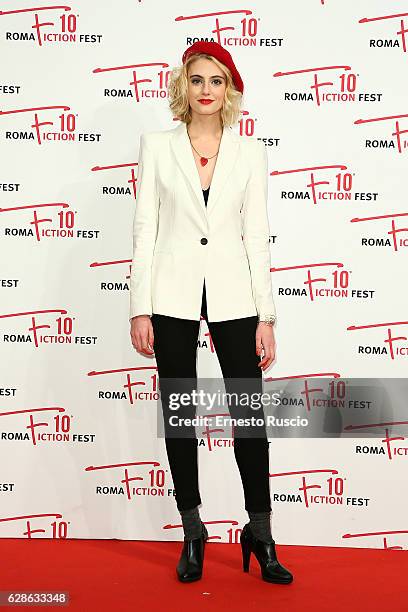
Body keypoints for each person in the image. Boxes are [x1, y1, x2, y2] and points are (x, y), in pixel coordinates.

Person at [129, 41, 293, 585]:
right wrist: (140, 308)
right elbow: (146, 232)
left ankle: (261, 531)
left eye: (216, 81)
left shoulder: (250, 152)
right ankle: (193, 528)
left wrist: (266, 316)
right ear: (184, 86)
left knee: (249, 415)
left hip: (234, 294)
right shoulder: (157, 146)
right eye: (197, 80)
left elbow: (255, 237)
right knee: (181, 413)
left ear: (229, 89)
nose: (206, 90)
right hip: (171, 293)